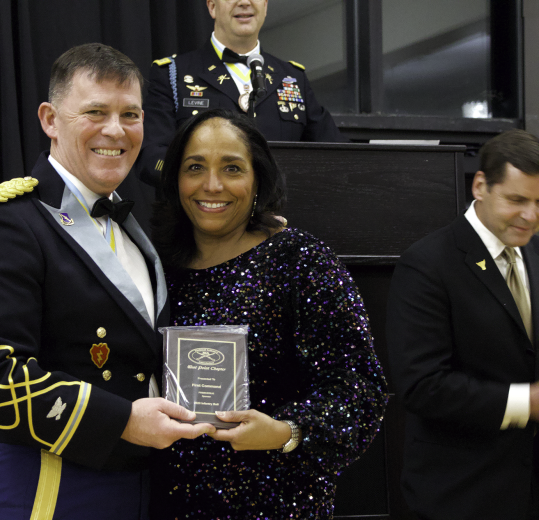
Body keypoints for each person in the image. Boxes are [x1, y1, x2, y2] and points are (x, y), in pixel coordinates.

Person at [0, 43, 214, 520]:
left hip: (135, 486)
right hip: (44, 486)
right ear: (50, 120)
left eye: (130, 115)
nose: (116, 130)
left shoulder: (136, 232)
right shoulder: (8, 224)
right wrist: (123, 421)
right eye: (96, 112)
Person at [149, 108, 388, 519]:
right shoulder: (154, 266)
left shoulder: (301, 260)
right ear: (175, 179)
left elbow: (361, 392)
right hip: (167, 503)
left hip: (278, 503)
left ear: (258, 178)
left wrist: (284, 432)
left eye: (232, 168)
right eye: (195, 167)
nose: (212, 185)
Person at [386, 129, 539, 520]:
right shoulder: (426, 264)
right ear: (481, 185)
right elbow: (422, 387)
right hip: (463, 495)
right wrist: (527, 402)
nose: (531, 216)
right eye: (517, 200)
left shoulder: (533, 250)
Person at [137, 0, 345, 188]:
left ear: (265, 5)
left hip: (279, 222)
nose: (245, 2)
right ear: (212, 7)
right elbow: (150, 157)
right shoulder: (174, 74)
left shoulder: (292, 77)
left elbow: (337, 157)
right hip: (202, 216)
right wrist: (205, 180)